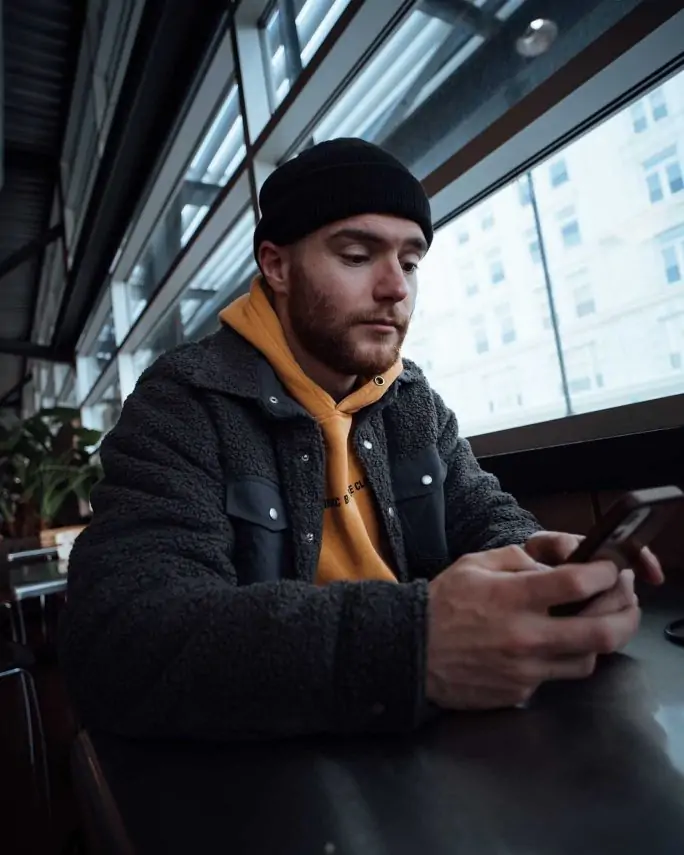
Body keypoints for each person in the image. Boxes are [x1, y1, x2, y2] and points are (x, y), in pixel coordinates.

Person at [59, 139, 663, 741]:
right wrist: (414, 645)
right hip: (274, 782)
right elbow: (122, 634)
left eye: (410, 262)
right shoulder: (184, 403)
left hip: (424, 749)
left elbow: (481, 511)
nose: (395, 287)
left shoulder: (409, 397)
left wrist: (537, 564)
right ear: (277, 266)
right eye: (355, 255)